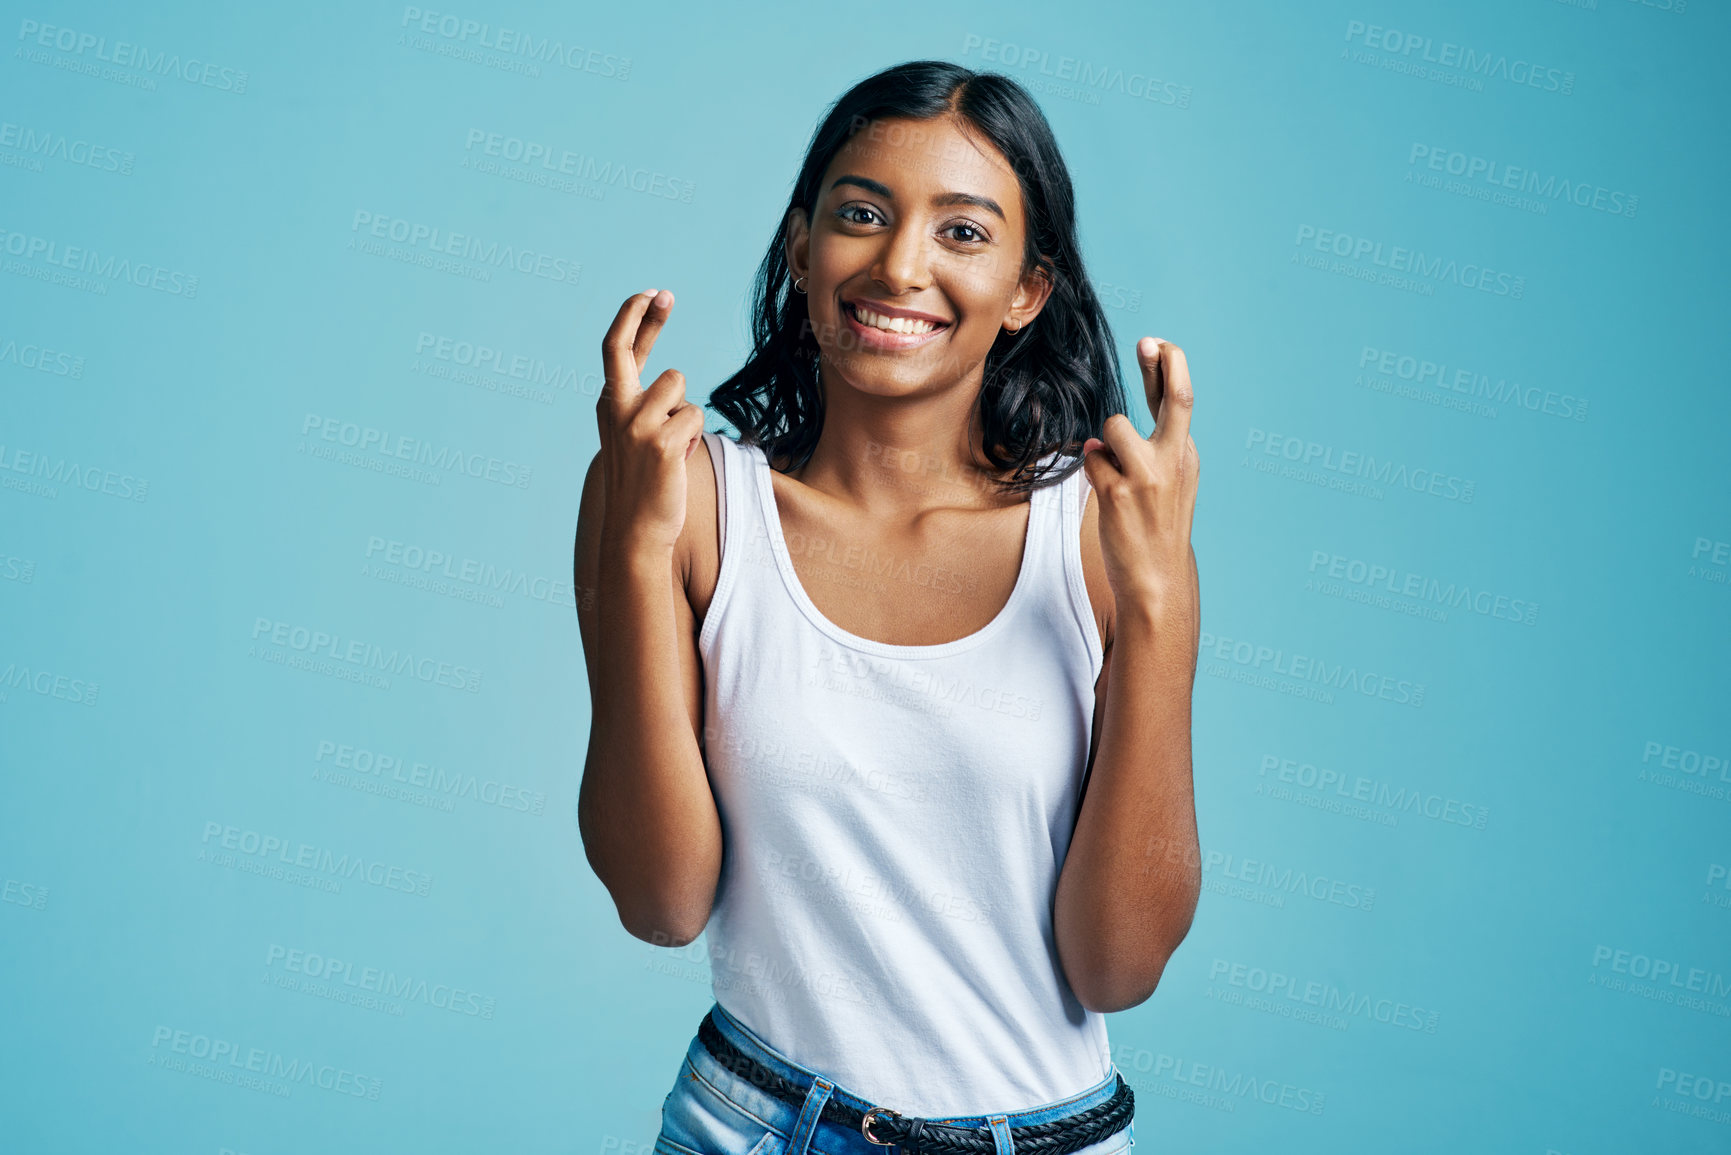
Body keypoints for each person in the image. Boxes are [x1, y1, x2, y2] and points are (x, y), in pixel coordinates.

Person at [575, 59, 1202, 1155]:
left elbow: (1120, 966)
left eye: (963, 233)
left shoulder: (1106, 529)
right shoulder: (684, 502)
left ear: (1027, 289)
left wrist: (1157, 608)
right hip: (755, 1126)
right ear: (800, 244)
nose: (901, 266)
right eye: (861, 214)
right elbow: (660, 902)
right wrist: (633, 558)